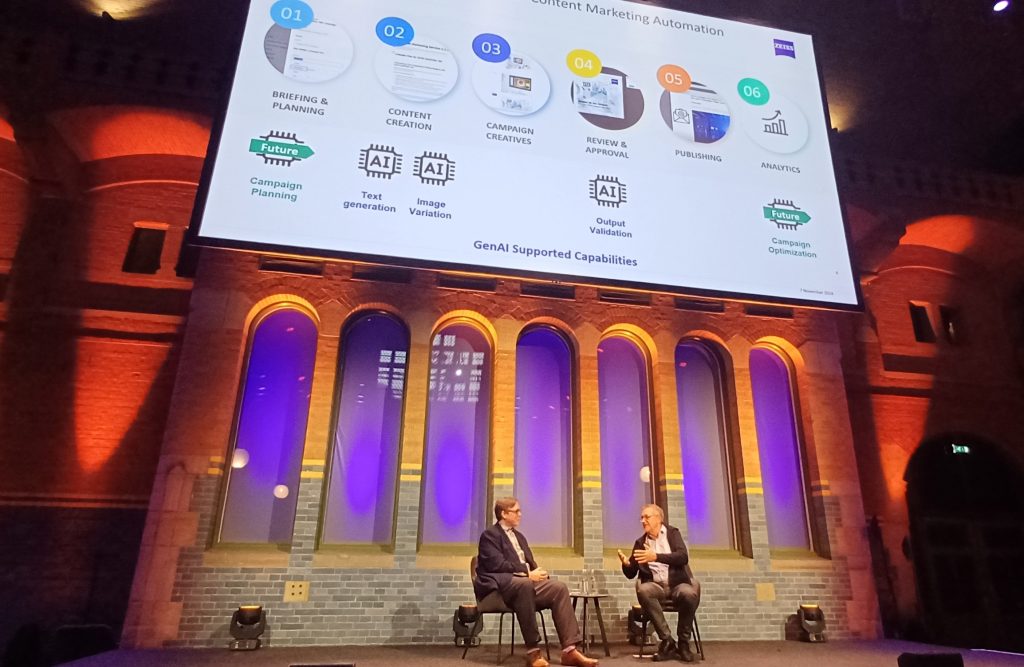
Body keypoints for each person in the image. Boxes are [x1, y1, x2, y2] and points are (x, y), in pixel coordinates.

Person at [475, 497, 599, 667]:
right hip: (500, 588)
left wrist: (539, 574)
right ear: (503, 514)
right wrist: (527, 573)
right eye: (516, 511)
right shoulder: (490, 535)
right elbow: (497, 565)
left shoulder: (519, 537)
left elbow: (530, 563)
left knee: (558, 588)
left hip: (524, 585)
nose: (520, 514)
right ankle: (533, 652)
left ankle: (570, 651)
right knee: (525, 584)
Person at [618, 504, 701, 662]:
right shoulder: (640, 543)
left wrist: (656, 556)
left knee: (689, 593)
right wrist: (626, 565)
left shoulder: (672, 534)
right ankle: (667, 640)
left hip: (677, 584)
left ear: (658, 519)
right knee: (644, 590)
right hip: (656, 587)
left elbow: (683, 557)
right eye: (641, 518)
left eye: (646, 517)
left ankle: (683, 642)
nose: (643, 521)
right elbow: (631, 573)